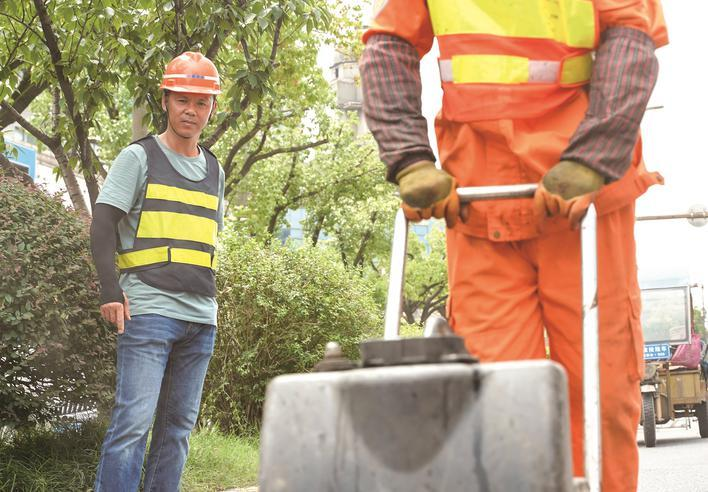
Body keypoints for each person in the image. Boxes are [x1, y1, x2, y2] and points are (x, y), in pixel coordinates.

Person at [360, 2, 667, 491]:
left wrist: (592, 156)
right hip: (482, 206)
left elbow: (631, 38)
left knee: (603, 396)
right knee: (495, 402)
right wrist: (410, 158)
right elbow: (388, 45)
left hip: (581, 198)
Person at [90, 51, 225, 491]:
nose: (192, 110)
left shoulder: (215, 169)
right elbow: (104, 223)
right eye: (183, 99)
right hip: (147, 310)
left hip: (200, 316)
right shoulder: (138, 157)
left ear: (212, 109)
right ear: (165, 101)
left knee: (178, 431)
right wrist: (111, 290)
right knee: (133, 425)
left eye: (201, 102)